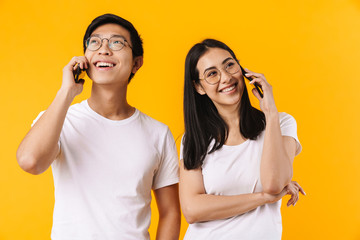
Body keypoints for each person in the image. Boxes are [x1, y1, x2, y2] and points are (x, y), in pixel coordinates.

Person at [16, 14, 180, 240]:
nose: (104, 49)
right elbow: (30, 162)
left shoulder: (158, 133)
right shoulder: (60, 119)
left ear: (136, 63)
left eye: (116, 42)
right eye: (95, 42)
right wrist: (66, 92)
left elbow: (170, 212)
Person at [179, 39, 305, 239]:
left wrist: (270, 112)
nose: (226, 77)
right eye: (212, 73)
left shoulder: (281, 123)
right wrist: (263, 198)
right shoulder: (194, 139)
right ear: (199, 87)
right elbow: (192, 210)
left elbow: (274, 183)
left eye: (230, 65)